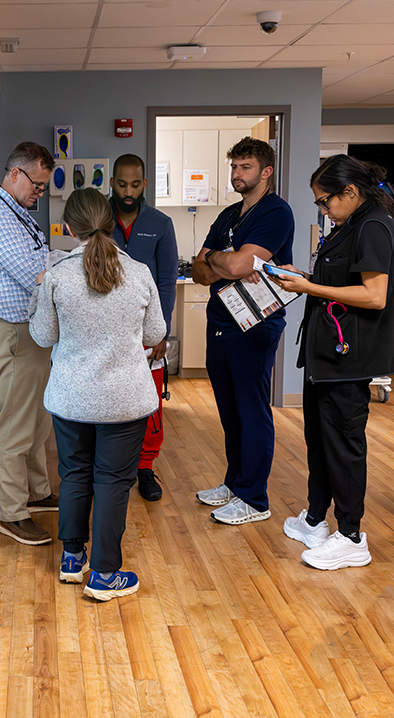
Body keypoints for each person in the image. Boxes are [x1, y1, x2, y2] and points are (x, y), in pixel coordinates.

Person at [29, 188, 165, 601]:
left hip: (72, 398)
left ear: (69, 228)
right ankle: (105, 574)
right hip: (124, 401)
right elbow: (156, 333)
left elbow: (43, 335)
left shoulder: (57, 276)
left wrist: (40, 294)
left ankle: (73, 557)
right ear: (109, 221)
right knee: (113, 481)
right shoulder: (139, 273)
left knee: (74, 474)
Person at [271, 155, 394, 570]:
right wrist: (302, 276)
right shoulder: (347, 226)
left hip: (349, 361)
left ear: (351, 192)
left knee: (343, 446)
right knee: (319, 442)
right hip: (324, 357)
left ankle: (351, 535)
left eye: (326, 202)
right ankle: (314, 519)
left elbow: (374, 295)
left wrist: (308, 286)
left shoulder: (374, 226)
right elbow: (338, 280)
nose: (323, 210)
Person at [191, 137, 294, 524]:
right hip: (220, 323)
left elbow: (231, 268)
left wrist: (219, 259)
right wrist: (224, 260)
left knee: (251, 410)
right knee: (229, 411)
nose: (237, 173)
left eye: (245, 167)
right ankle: (234, 484)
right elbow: (200, 271)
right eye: (234, 166)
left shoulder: (276, 213)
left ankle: (254, 499)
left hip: (254, 326)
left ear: (266, 172)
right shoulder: (228, 216)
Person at [0, 142, 57, 546]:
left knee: (39, 421)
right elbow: (36, 276)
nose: (39, 193)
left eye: (43, 188)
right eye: (37, 185)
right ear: (14, 174)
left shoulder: (19, 216)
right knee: (15, 425)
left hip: (33, 334)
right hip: (14, 334)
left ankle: (38, 493)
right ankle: (12, 513)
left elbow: (44, 263)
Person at [109, 154, 178, 501]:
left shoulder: (160, 223)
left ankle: (145, 467)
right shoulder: (100, 219)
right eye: (122, 184)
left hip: (146, 330)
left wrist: (161, 331)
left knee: (149, 402)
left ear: (145, 184)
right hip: (106, 331)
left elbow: (167, 281)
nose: (128, 191)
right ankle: (109, 468)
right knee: (108, 400)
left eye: (135, 184)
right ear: (111, 183)